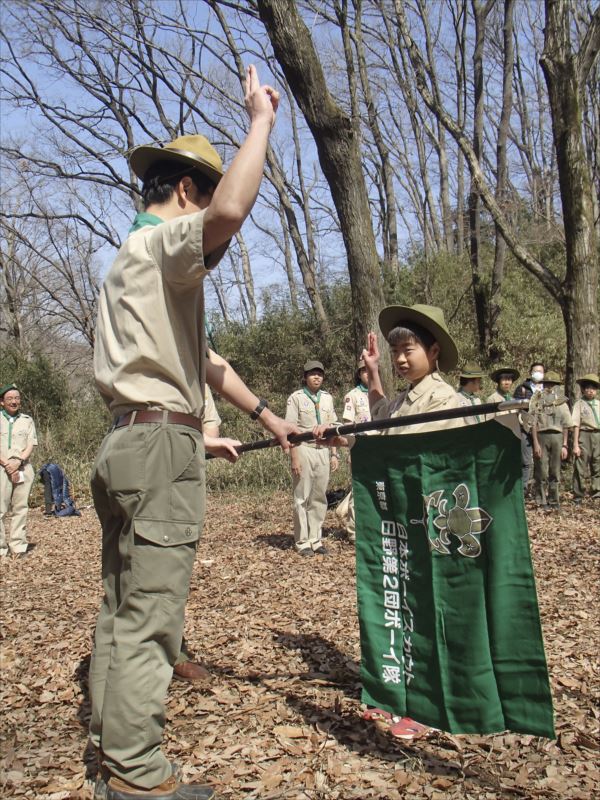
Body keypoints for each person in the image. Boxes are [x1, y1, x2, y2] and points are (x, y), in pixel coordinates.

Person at [90, 65, 298, 800]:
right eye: (202, 194)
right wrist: (261, 121)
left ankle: (110, 746)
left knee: (121, 611)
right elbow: (230, 215)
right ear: (184, 192)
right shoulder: (160, 247)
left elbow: (205, 365)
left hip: (127, 442)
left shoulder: (128, 265)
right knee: (151, 618)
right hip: (155, 448)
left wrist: (267, 419)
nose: (209, 219)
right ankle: (140, 780)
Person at [315, 303, 464, 741]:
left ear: (433, 351)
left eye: (409, 349)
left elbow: (407, 448)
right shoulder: (404, 399)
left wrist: (358, 438)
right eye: (395, 351)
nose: (401, 358)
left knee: (426, 608)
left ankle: (428, 704)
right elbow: (381, 420)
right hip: (396, 524)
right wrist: (370, 380)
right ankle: (398, 692)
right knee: (397, 608)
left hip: (428, 525)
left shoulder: (443, 399)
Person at [173, 385, 241, 683]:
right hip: (142, 466)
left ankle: (172, 651)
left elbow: (210, 425)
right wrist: (264, 414)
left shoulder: (196, 376)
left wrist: (206, 441)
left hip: (186, 478)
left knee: (175, 569)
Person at [285, 360, 339, 556]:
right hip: (304, 449)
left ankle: (315, 539)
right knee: (302, 497)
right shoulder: (296, 398)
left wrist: (334, 454)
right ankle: (302, 542)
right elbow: (290, 431)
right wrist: (294, 458)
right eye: (312, 374)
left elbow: (333, 426)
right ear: (305, 377)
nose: (317, 377)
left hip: (323, 450)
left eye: (320, 374)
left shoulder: (327, 398)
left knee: (319, 497)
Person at [0, 384, 38, 558]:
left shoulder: (27, 420)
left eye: (16, 398)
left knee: (20, 508)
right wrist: (7, 464)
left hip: (23, 467)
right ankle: (1, 548)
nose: (14, 402)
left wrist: (19, 461)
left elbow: (31, 444)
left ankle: (18, 546)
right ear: (2, 402)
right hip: (1, 468)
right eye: (9, 399)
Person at [336, 360, 371, 542]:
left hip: (379, 446)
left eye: (370, 370)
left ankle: (369, 526)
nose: (367, 373)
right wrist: (350, 449)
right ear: (359, 374)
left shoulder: (379, 393)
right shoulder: (353, 396)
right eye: (363, 371)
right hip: (360, 446)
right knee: (358, 489)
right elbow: (348, 425)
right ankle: (354, 532)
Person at [531, 371, 573, 511]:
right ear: (543, 386)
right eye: (547, 384)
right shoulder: (537, 400)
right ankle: (541, 500)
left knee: (555, 471)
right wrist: (535, 443)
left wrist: (565, 445)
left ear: (557, 386)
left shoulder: (562, 403)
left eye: (553, 384)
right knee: (541, 470)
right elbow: (533, 423)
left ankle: (554, 500)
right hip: (542, 435)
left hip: (557, 437)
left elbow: (566, 425)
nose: (550, 387)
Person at [513, 363, 545, 496]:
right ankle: (523, 491)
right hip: (525, 428)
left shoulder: (548, 389)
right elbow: (516, 408)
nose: (538, 373)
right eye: (535, 371)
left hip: (542, 428)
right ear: (530, 372)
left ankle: (539, 492)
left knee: (541, 461)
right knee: (526, 462)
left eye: (540, 371)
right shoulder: (522, 389)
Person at [571, 373, 600, 503]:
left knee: (597, 464)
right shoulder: (579, 404)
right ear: (583, 389)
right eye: (587, 388)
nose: (590, 391)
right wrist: (575, 444)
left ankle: (596, 491)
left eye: (593, 388)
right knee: (580, 465)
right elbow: (576, 424)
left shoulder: (598, 404)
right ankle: (578, 494)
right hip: (584, 434)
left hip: (597, 435)